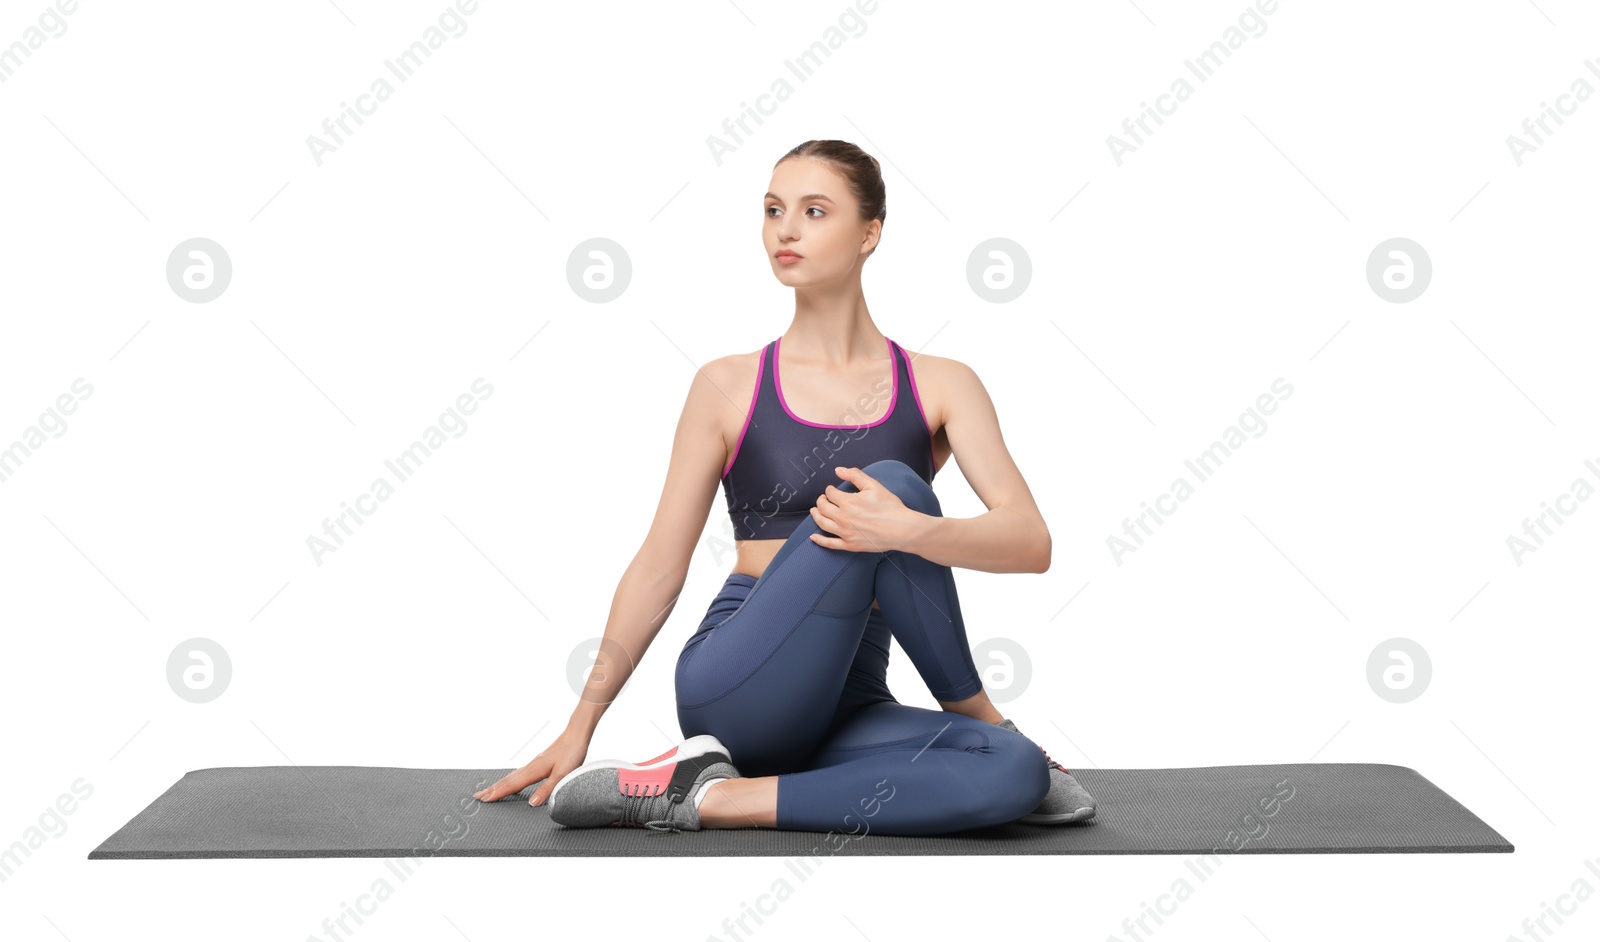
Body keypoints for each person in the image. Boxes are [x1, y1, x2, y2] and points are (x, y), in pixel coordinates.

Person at [473, 140, 1096, 835]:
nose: (785, 230)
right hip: (740, 681)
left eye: (814, 211)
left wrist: (909, 532)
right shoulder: (727, 385)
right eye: (773, 210)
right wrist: (580, 723)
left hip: (851, 707)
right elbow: (658, 566)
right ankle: (980, 714)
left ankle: (702, 797)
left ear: (870, 234)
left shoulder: (943, 384)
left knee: (1014, 770)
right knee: (893, 483)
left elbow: (1029, 540)